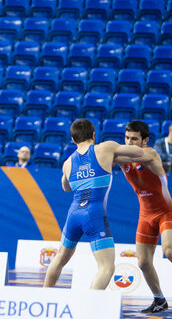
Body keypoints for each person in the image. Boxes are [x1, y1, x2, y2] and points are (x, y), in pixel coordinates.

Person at [44, 119, 144, 290]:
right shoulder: (105, 148)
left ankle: (44, 296)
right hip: (94, 214)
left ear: (73, 140)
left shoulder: (68, 163)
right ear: (93, 135)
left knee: (60, 258)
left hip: (74, 214)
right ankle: (90, 307)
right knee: (106, 267)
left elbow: (66, 187)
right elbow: (138, 153)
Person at [116, 121, 172, 313]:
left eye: (134, 139)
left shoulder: (151, 154)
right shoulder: (122, 158)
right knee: (143, 263)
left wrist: (113, 152)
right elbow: (102, 157)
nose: (129, 142)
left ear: (145, 140)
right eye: (127, 138)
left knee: (170, 251)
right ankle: (159, 300)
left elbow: (126, 153)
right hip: (145, 215)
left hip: (165, 211)